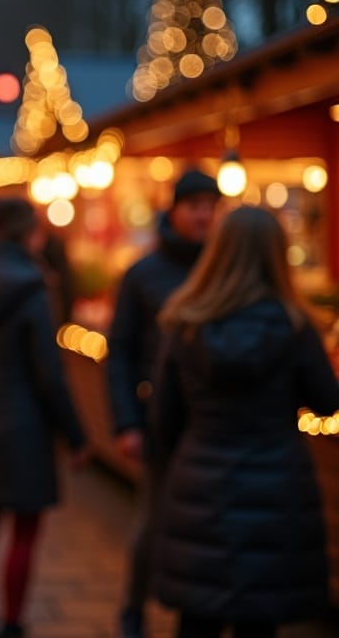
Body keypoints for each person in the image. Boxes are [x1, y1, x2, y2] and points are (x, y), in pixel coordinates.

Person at [150, 205, 339, 638]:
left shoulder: (184, 325)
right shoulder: (295, 328)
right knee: (259, 623)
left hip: (201, 485)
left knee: (196, 619)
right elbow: (328, 402)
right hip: (276, 487)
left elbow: (163, 419)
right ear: (277, 254)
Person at [0, 198, 89, 638]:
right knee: (25, 528)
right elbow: (48, 375)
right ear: (28, 233)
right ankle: (12, 623)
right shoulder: (35, 287)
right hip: (25, 423)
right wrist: (75, 435)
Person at [106, 168, 220, 638]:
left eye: (212, 207)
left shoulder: (222, 268)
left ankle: (198, 612)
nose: (205, 216)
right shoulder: (143, 274)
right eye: (196, 206)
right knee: (152, 520)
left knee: (209, 526)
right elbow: (121, 353)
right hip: (160, 421)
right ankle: (133, 608)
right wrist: (126, 422)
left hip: (214, 424)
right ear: (174, 209)